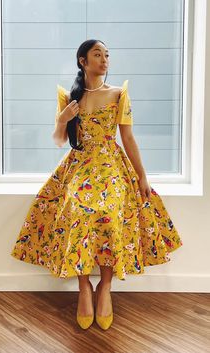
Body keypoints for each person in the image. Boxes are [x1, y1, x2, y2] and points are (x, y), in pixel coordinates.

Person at [11, 39, 183, 331]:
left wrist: (142, 175)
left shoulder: (118, 94)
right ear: (83, 61)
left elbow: (127, 137)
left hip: (111, 164)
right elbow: (58, 141)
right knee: (78, 209)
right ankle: (83, 287)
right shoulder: (70, 97)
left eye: (107, 55)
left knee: (108, 210)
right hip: (79, 165)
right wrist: (63, 120)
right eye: (97, 54)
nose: (104, 59)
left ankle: (104, 286)